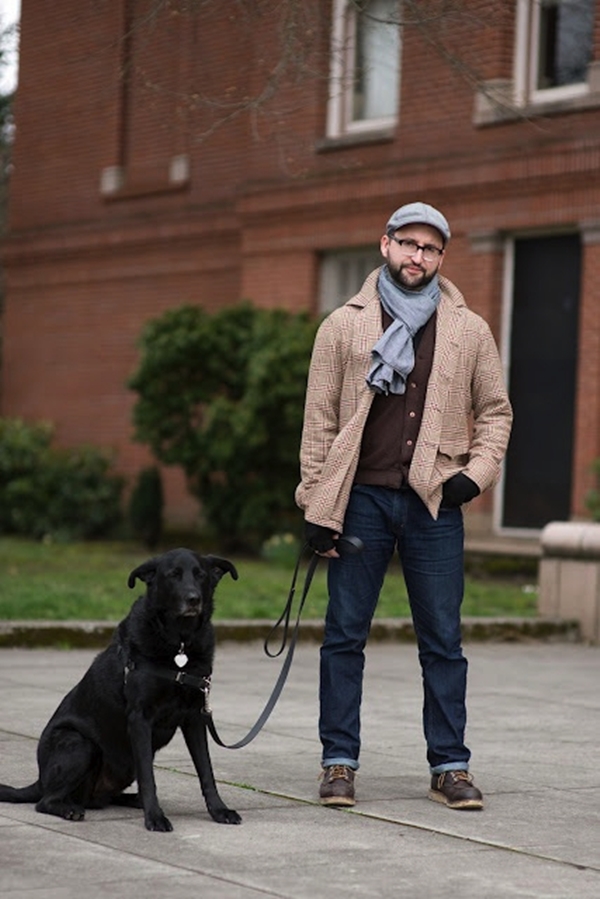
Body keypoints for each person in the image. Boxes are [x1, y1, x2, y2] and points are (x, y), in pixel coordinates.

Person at [295, 202, 512, 811]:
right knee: (344, 637)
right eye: (410, 244)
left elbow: (496, 411)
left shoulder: (469, 328)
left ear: (442, 257)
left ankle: (450, 766)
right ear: (385, 244)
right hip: (359, 498)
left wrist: (475, 476)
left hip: (434, 503)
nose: (420, 257)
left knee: (443, 639)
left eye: (432, 249)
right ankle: (338, 763)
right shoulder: (344, 325)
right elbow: (318, 423)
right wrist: (315, 505)